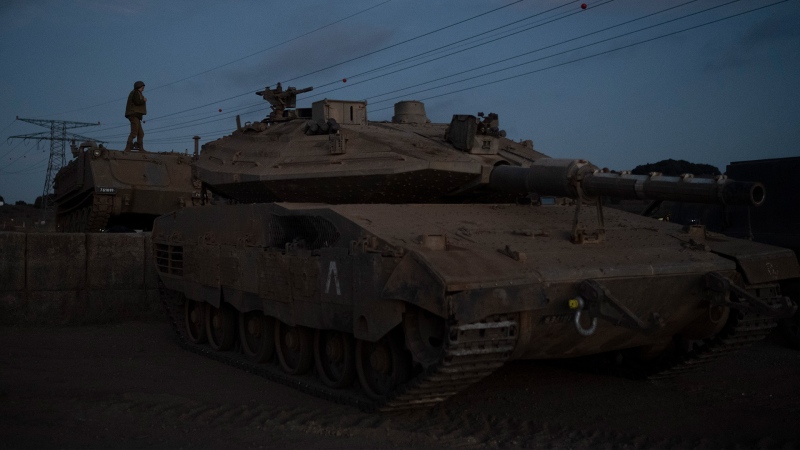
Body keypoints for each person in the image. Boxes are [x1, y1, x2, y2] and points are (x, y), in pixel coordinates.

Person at [124, 80, 147, 151]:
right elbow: (137, 101)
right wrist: (143, 100)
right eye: (142, 87)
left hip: (136, 115)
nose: (143, 88)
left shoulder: (137, 93)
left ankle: (140, 147)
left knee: (141, 133)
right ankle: (128, 147)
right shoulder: (136, 93)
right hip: (134, 115)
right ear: (139, 87)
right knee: (134, 132)